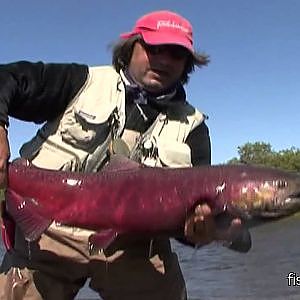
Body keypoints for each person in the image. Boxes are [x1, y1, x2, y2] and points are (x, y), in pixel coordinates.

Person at [0, 10, 242, 300]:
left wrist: (198, 234)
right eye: (154, 48)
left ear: (188, 64)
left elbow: (187, 224)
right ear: (131, 48)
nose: (164, 60)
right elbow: (7, 78)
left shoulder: (194, 128)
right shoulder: (81, 81)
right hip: (46, 235)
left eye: (176, 54)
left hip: (137, 248)